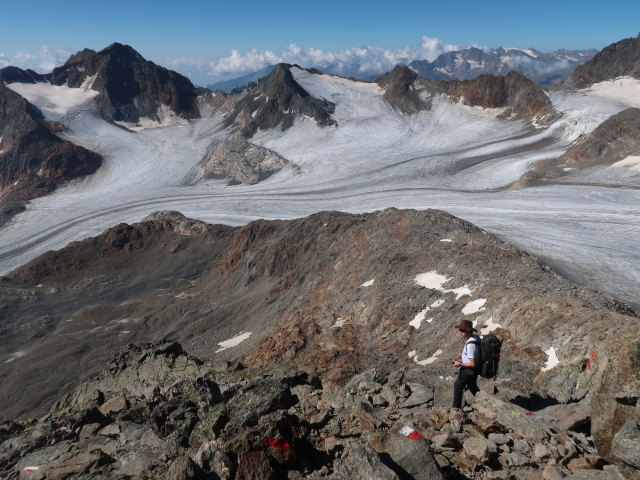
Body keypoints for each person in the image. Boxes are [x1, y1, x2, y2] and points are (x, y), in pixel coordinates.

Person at [452, 319, 481, 408]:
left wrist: (459, 364)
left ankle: (456, 409)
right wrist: (464, 355)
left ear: (468, 331)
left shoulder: (470, 344)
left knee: (457, 386)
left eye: (462, 330)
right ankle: (485, 403)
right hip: (474, 371)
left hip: (468, 370)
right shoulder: (475, 338)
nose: (460, 332)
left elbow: (472, 364)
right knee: (472, 386)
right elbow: (475, 353)